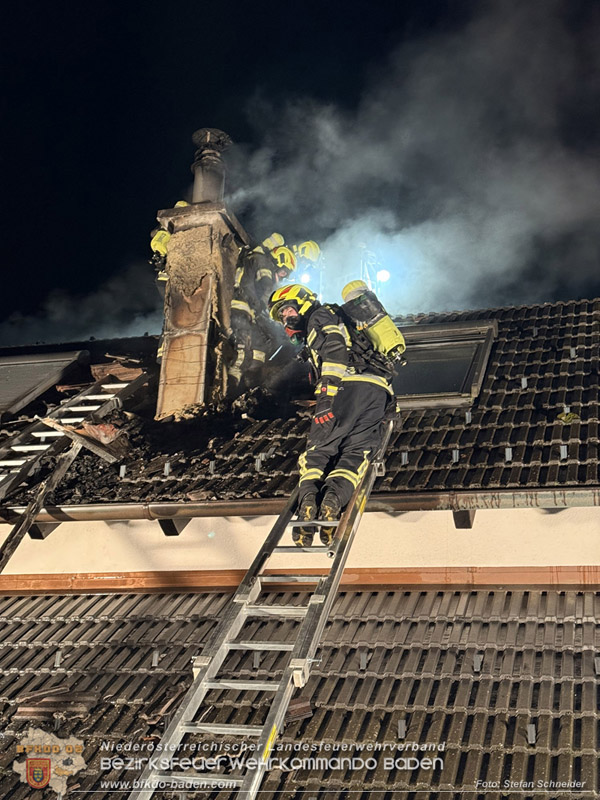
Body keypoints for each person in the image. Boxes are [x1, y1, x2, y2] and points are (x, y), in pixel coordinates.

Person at [268, 283, 404, 546]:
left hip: (343, 388)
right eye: (282, 315)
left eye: (287, 309)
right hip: (376, 393)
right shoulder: (347, 321)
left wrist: (326, 397)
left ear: (304, 302)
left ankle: (308, 502)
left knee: (318, 452)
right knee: (354, 455)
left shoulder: (320, 317)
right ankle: (332, 502)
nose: (286, 318)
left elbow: (334, 349)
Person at [228, 235, 296, 395]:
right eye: (284, 272)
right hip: (242, 309)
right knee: (243, 353)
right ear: (279, 260)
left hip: (247, 310)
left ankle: (250, 383)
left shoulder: (251, 259)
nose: (282, 277)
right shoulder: (263, 261)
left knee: (259, 347)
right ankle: (229, 391)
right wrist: (269, 313)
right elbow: (266, 289)